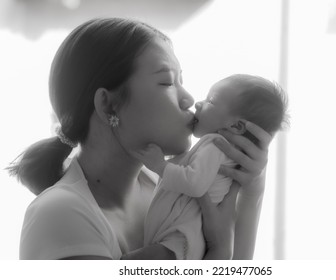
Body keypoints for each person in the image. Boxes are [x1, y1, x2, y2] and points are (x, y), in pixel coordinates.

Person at [8, 18, 272, 260]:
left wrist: (250, 189)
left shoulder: (167, 185)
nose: (189, 99)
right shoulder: (60, 215)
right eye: (168, 82)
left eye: (182, 81)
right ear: (109, 105)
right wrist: (220, 249)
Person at [133, 74, 288, 259]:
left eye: (210, 101)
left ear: (236, 126)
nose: (196, 103)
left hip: (183, 236)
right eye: (167, 82)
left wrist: (160, 166)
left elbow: (194, 183)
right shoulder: (221, 151)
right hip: (189, 236)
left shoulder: (216, 144)